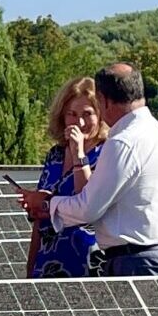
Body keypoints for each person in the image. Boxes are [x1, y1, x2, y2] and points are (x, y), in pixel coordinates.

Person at [22, 64, 158, 276]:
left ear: (104, 101)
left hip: (137, 262)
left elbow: (89, 208)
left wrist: (47, 204)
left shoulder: (122, 142)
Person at [27, 76, 108, 279]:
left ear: (100, 116)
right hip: (49, 257)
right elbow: (39, 220)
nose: (79, 123)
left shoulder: (106, 154)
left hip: (87, 258)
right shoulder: (55, 156)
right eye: (72, 114)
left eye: (87, 114)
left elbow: (87, 200)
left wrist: (79, 153)